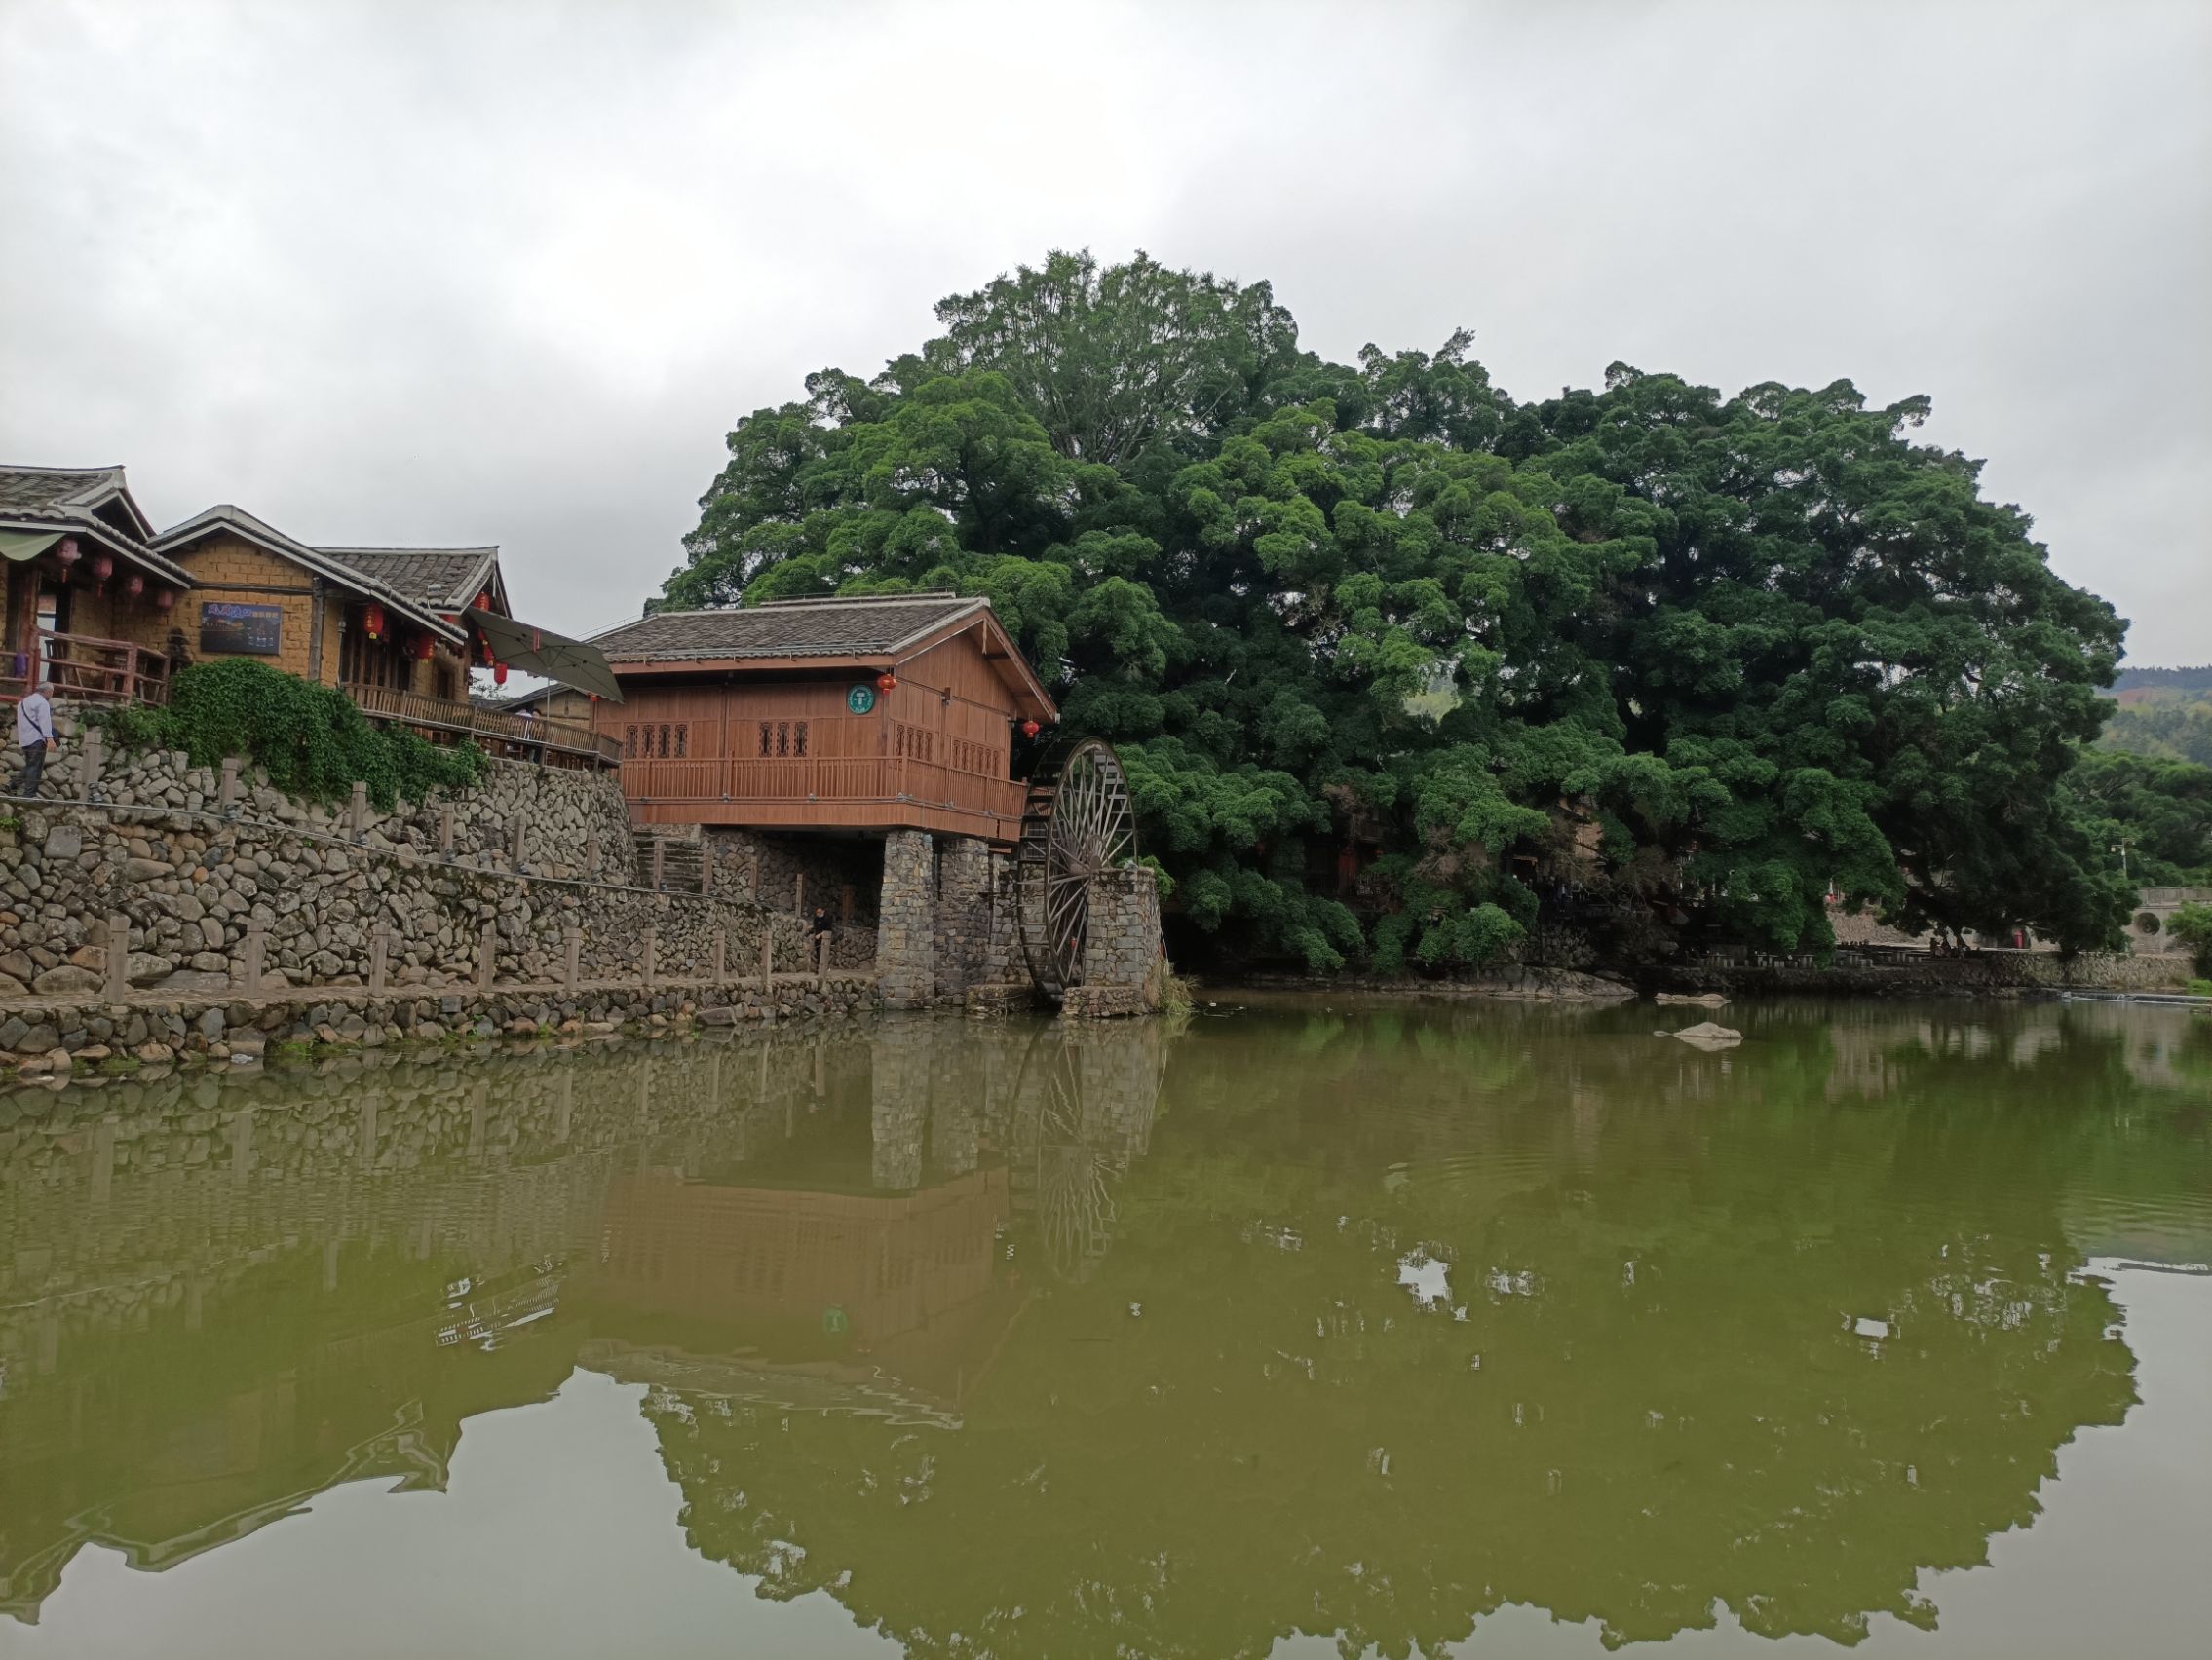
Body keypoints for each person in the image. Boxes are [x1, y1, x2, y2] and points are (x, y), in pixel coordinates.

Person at [13, 684, 55, 798]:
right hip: (36, 738)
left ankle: (13, 784)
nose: (51, 695)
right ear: (47, 691)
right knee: (35, 767)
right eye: (51, 692)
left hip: (25, 739)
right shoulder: (42, 703)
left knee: (31, 764)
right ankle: (29, 794)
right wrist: (49, 739)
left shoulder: (23, 703)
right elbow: (44, 722)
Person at [811, 904, 834, 970]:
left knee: (823, 953)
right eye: (817, 912)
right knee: (818, 953)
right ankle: (819, 967)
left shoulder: (827, 918)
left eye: (819, 912)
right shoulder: (816, 919)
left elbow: (828, 930)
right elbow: (816, 927)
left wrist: (820, 934)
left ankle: (824, 968)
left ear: (823, 911)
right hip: (817, 938)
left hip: (825, 939)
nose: (818, 913)